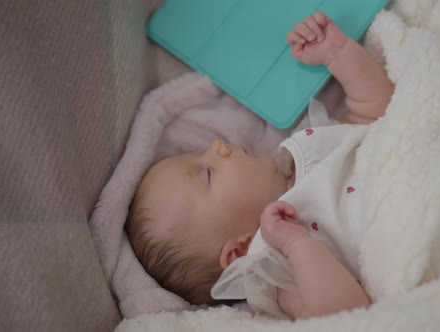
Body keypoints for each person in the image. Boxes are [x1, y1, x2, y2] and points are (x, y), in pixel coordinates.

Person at [126, 10, 394, 319]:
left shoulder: (307, 147)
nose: (217, 147)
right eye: (208, 172)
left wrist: (338, 53)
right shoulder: (282, 277)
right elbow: (346, 315)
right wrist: (296, 245)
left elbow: (379, 111)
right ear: (239, 250)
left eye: (202, 153)